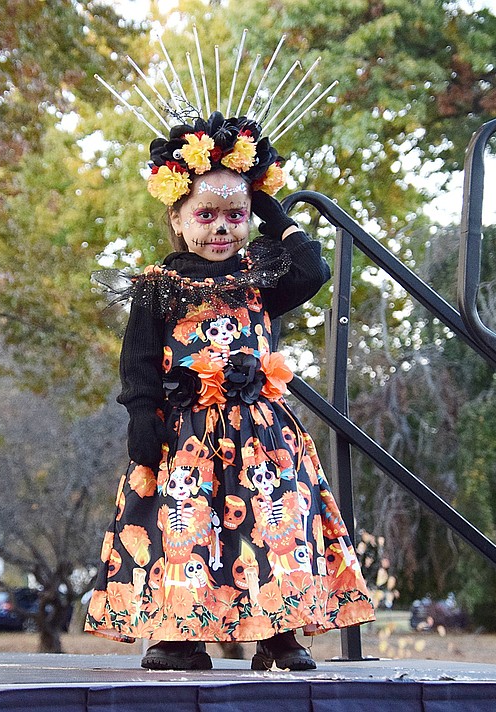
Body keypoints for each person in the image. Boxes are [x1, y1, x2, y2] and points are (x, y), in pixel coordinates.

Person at [85, 109, 375, 671]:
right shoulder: (158, 286)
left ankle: (280, 631)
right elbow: (139, 363)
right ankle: (177, 637)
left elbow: (311, 271)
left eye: (235, 215)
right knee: (186, 531)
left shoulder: (258, 280)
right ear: (178, 217)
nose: (222, 228)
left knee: (275, 523)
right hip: (185, 433)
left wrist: (275, 216)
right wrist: (141, 416)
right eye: (207, 214)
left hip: (260, 433)